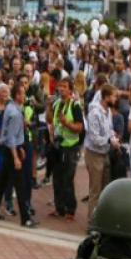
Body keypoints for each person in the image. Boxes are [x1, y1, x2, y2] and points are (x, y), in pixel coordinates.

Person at [0, 84, 36, 227]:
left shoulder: (11, 107)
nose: (24, 96)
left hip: (9, 148)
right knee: (20, 185)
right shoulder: (15, 113)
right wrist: (16, 157)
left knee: (2, 182)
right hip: (10, 151)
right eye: (22, 94)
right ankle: (26, 218)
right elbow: (10, 137)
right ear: (17, 96)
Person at [48, 78, 84, 220]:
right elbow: (50, 120)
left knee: (67, 179)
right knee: (56, 177)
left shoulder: (75, 105)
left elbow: (80, 127)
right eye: (60, 86)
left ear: (70, 89)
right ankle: (59, 208)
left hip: (70, 147)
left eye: (64, 86)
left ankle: (70, 209)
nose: (61, 89)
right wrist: (48, 107)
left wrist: (67, 123)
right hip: (57, 145)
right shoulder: (57, 103)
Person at [84, 84, 119, 222]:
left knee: (105, 189)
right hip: (94, 155)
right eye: (114, 96)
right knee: (95, 191)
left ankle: (101, 220)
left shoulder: (108, 111)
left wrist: (113, 138)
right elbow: (94, 138)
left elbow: (109, 129)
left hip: (104, 154)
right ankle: (92, 223)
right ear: (106, 97)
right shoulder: (94, 113)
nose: (116, 99)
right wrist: (110, 142)